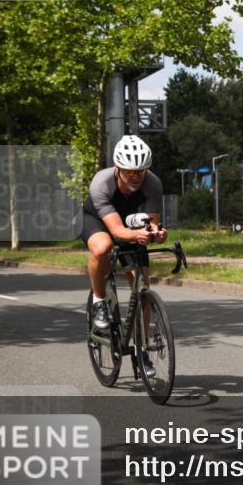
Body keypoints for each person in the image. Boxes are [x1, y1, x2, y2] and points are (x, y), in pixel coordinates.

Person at [82, 135, 166, 335]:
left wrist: (157, 233)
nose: (136, 176)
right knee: (103, 247)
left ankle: (142, 348)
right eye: (130, 171)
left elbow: (151, 223)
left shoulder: (152, 183)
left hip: (131, 223)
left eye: (141, 171)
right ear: (117, 167)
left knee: (142, 288)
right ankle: (99, 301)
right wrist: (138, 235)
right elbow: (117, 231)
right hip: (97, 220)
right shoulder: (101, 183)